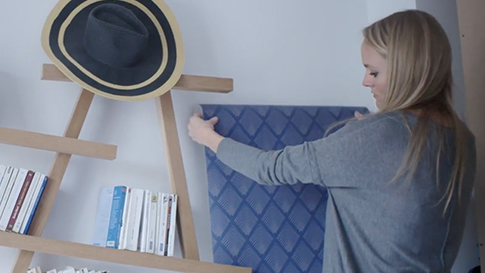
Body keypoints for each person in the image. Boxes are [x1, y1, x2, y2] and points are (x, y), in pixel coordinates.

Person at [188, 9, 477, 273]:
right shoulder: (463, 138)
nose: (366, 82)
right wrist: (373, 135)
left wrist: (208, 137)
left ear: (407, 71)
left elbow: (269, 168)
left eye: (373, 71)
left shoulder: (376, 138)